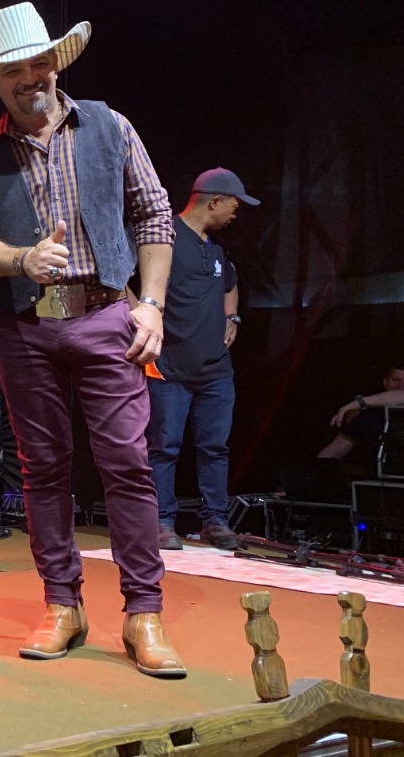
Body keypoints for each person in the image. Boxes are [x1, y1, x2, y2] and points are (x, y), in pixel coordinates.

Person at [0, 2, 185, 678]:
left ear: (56, 63)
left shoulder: (108, 126)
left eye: (39, 62)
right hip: (23, 328)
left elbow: (153, 213)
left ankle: (144, 613)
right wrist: (22, 258)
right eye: (14, 70)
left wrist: (155, 306)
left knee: (127, 466)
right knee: (42, 470)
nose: (31, 77)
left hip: (107, 313)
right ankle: (63, 606)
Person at [146, 168, 258, 551]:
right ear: (214, 201)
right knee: (164, 445)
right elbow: (129, 286)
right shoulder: (165, 238)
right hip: (169, 366)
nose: (235, 214)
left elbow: (230, 283)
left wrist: (232, 316)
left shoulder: (216, 248)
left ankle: (215, 520)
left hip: (215, 371)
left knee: (215, 447)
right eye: (234, 206)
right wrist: (143, 324)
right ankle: (161, 521)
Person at [317, 365, 404, 464]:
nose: (401, 386)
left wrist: (358, 403)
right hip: (380, 482)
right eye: (395, 380)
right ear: (386, 382)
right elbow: (337, 450)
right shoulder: (370, 415)